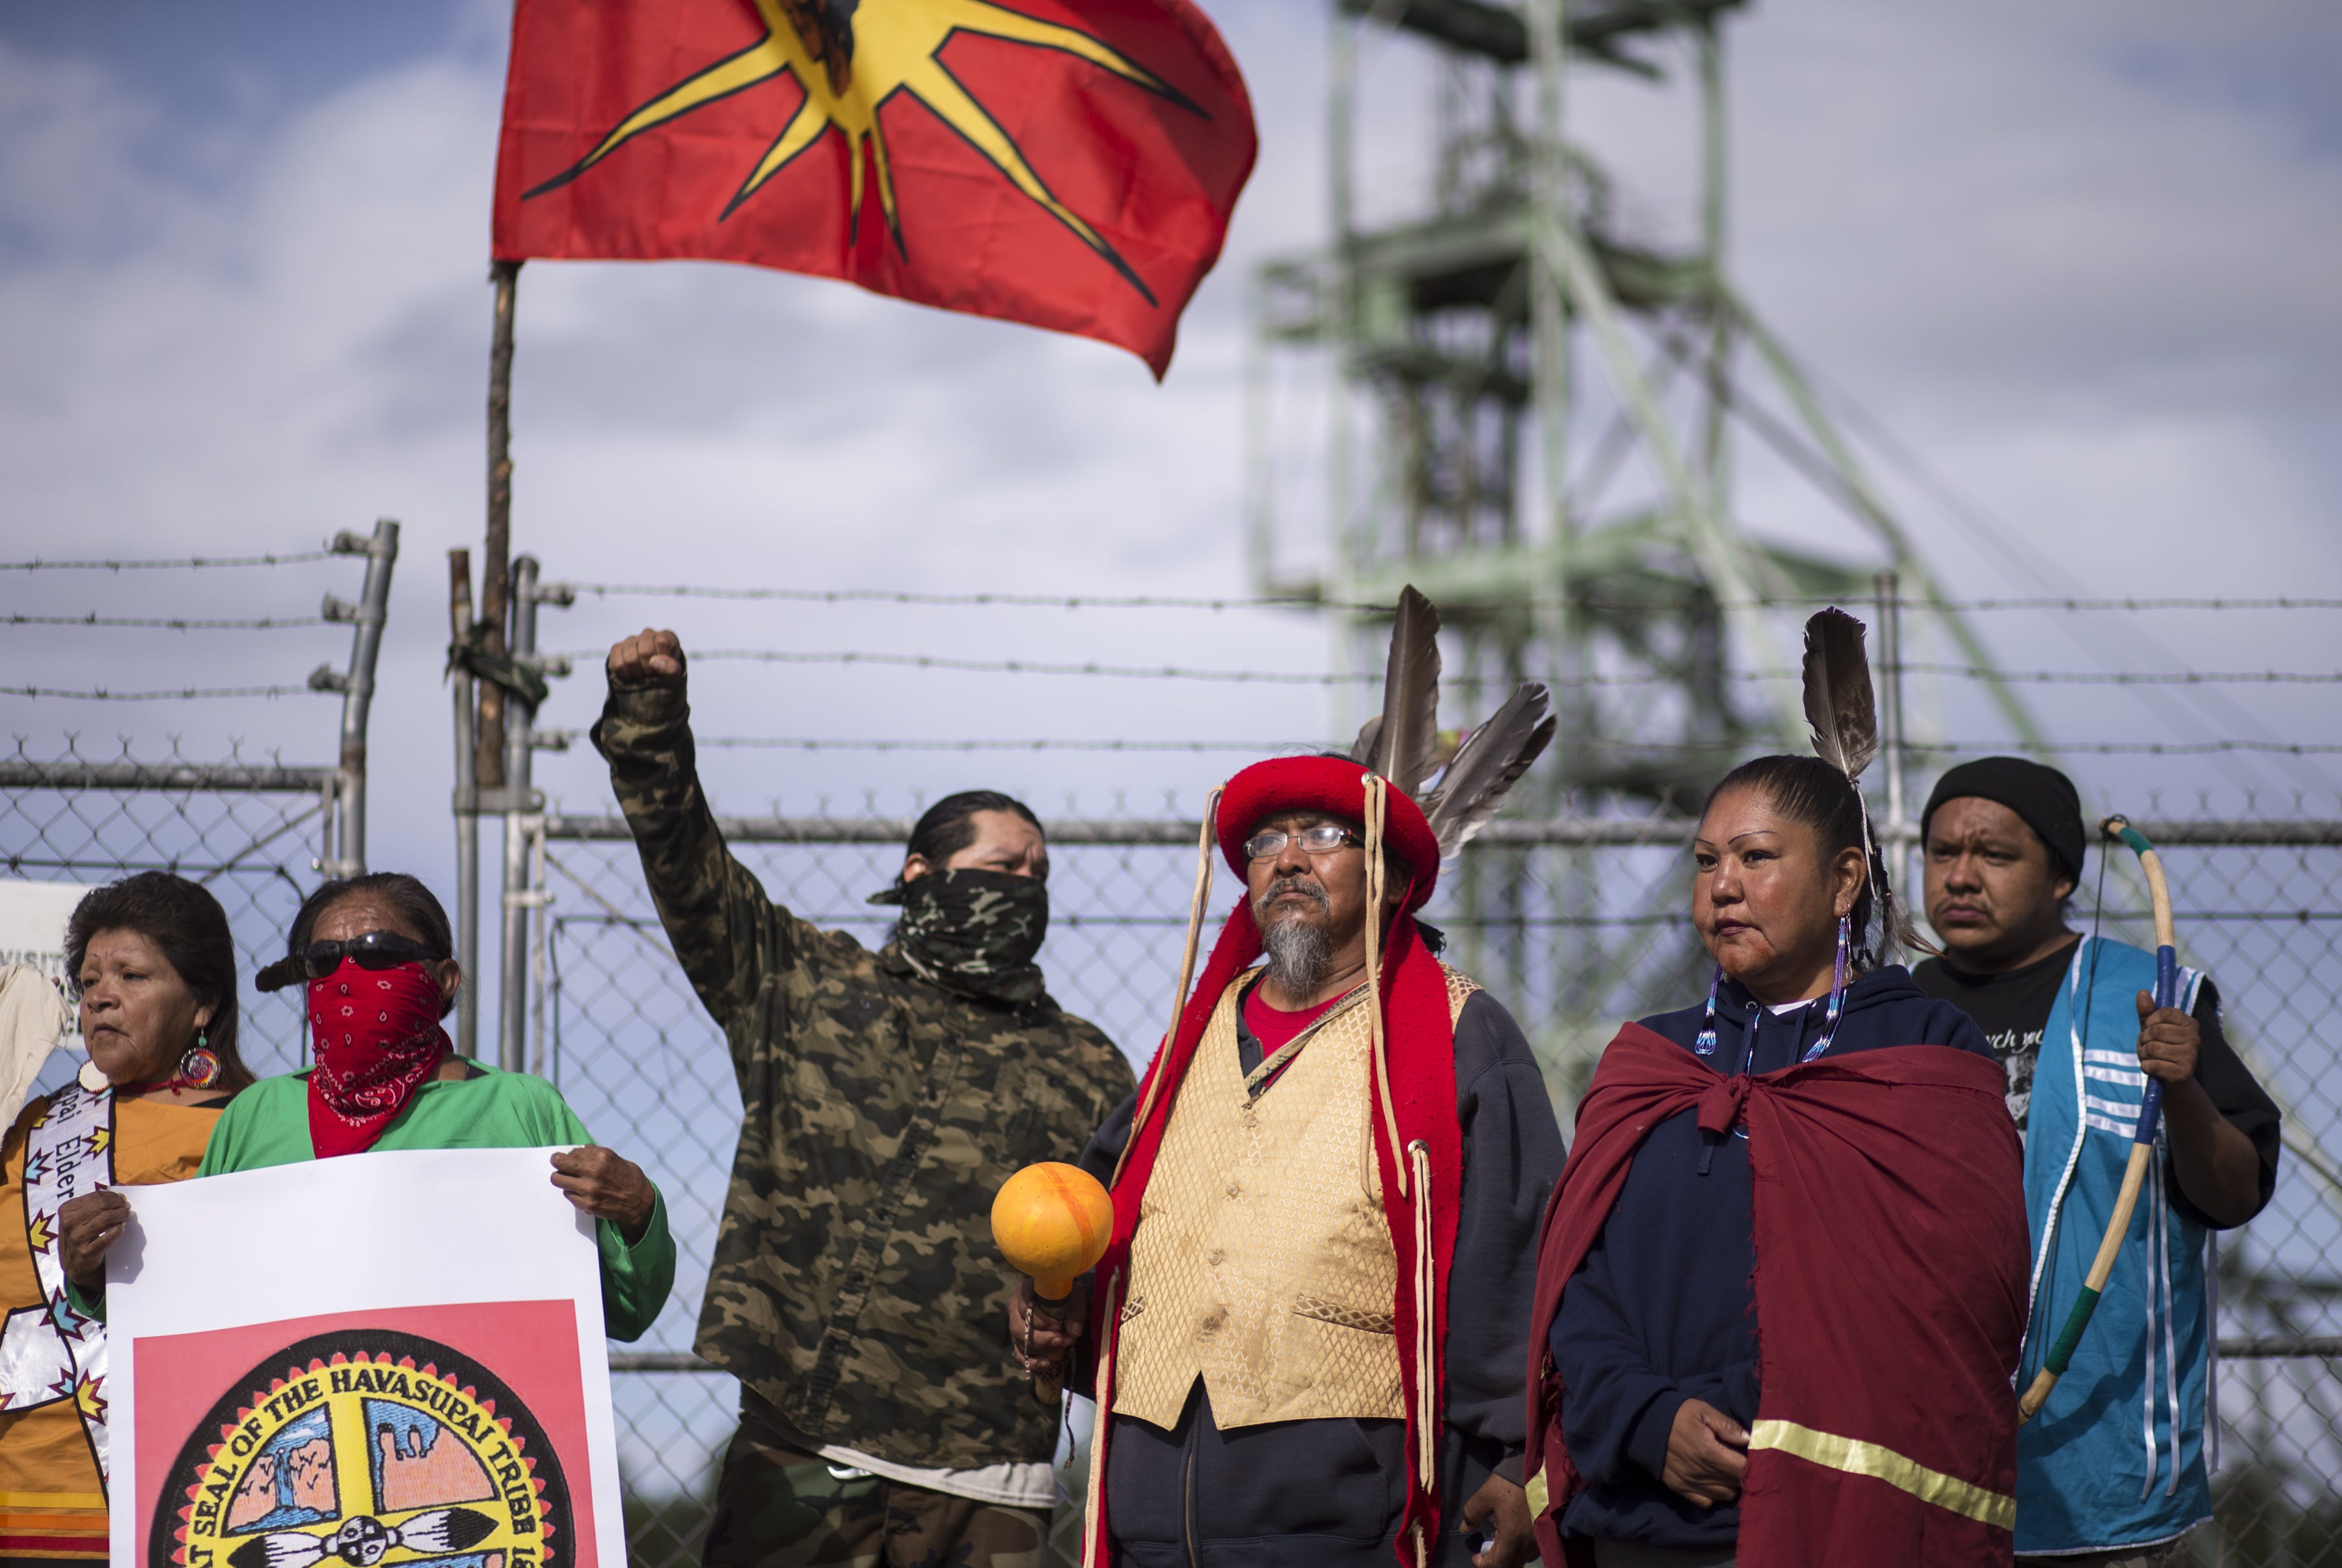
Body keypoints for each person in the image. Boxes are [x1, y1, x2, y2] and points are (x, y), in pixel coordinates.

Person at [595, 628, 1134, 1568]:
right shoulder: (805, 984)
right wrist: (650, 719)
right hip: (801, 1448)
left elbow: (1127, 1246)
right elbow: (687, 863)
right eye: (1006, 865)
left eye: (1040, 875)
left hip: (988, 1477)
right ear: (922, 875)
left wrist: (1072, 1307)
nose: (1027, 886)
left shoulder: (1087, 1062)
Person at [1527, 613, 2031, 1568]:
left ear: (1845, 880)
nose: (1723, 885)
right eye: (1707, 861)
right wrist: (1646, 1415)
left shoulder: (1923, 1050)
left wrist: (1743, 1413)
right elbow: (1574, 1276)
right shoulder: (1649, 1060)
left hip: (1834, 1513)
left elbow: (1951, 1292)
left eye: (1757, 857)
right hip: (1631, 1515)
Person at [1019, 736, 1568, 1564]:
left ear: (1383, 868)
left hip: (1348, 1522)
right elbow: (1101, 1212)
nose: (1288, 861)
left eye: (1322, 835)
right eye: (1266, 842)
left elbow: (1518, 1255)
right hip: (1151, 1520)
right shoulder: (1197, 1034)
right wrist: (1051, 1299)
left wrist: (1521, 1457)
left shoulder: (1459, 1029)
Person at [1910, 757, 2281, 1567]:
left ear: (2062, 876)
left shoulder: (2147, 994)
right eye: (1942, 852)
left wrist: (2181, 1088)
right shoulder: (1893, 1008)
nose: (1961, 876)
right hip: (1920, 1451)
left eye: (1995, 855)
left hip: (2095, 1458)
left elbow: (2235, 1189)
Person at [58, 872, 677, 1345]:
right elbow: (191, 1302)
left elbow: (625, 1311)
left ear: (447, 980)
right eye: (324, 962)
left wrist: (639, 1208)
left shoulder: (519, 1108)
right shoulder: (260, 1115)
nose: (349, 975)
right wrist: (92, 1275)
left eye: (378, 954)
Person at [0, 874, 254, 1565]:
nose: (101, 996)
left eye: (132, 975)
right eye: (88, 981)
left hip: (178, 1504)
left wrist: (107, 1278)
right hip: (18, 1504)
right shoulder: (29, 1127)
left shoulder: (252, 1128)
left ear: (203, 1001)